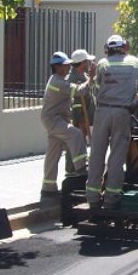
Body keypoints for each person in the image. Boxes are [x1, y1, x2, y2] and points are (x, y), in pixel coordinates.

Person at [86, 35, 138, 211]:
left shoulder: (102, 64)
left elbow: (96, 88)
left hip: (102, 112)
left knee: (96, 154)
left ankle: (93, 198)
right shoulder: (134, 63)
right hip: (122, 112)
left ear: (108, 49)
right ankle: (112, 198)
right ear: (124, 47)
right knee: (117, 156)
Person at [41, 51, 92, 199]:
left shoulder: (58, 80)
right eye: (66, 65)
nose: (69, 67)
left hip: (56, 119)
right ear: (58, 67)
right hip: (54, 120)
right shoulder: (57, 82)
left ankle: (48, 188)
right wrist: (91, 80)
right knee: (75, 134)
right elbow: (80, 91)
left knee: (53, 153)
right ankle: (82, 167)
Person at [64, 49, 96, 175]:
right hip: (78, 118)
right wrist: (81, 120)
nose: (89, 64)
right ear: (82, 63)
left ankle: (80, 166)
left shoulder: (84, 76)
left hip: (87, 116)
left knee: (81, 144)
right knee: (74, 144)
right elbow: (76, 102)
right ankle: (72, 169)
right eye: (87, 62)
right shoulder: (72, 79)